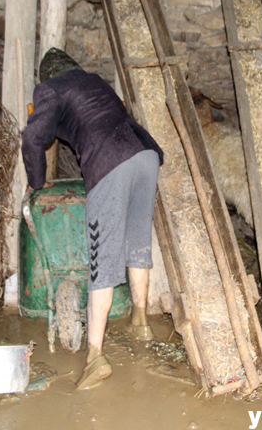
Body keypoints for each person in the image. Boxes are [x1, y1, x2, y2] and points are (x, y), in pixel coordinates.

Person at [21, 48, 164, 390]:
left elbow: (32, 138)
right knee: (137, 239)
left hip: (109, 160)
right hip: (144, 156)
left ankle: (95, 356)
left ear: (48, 74)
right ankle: (141, 320)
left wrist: (37, 181)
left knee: (101, 258)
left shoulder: (50, 89)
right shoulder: (95, 82)